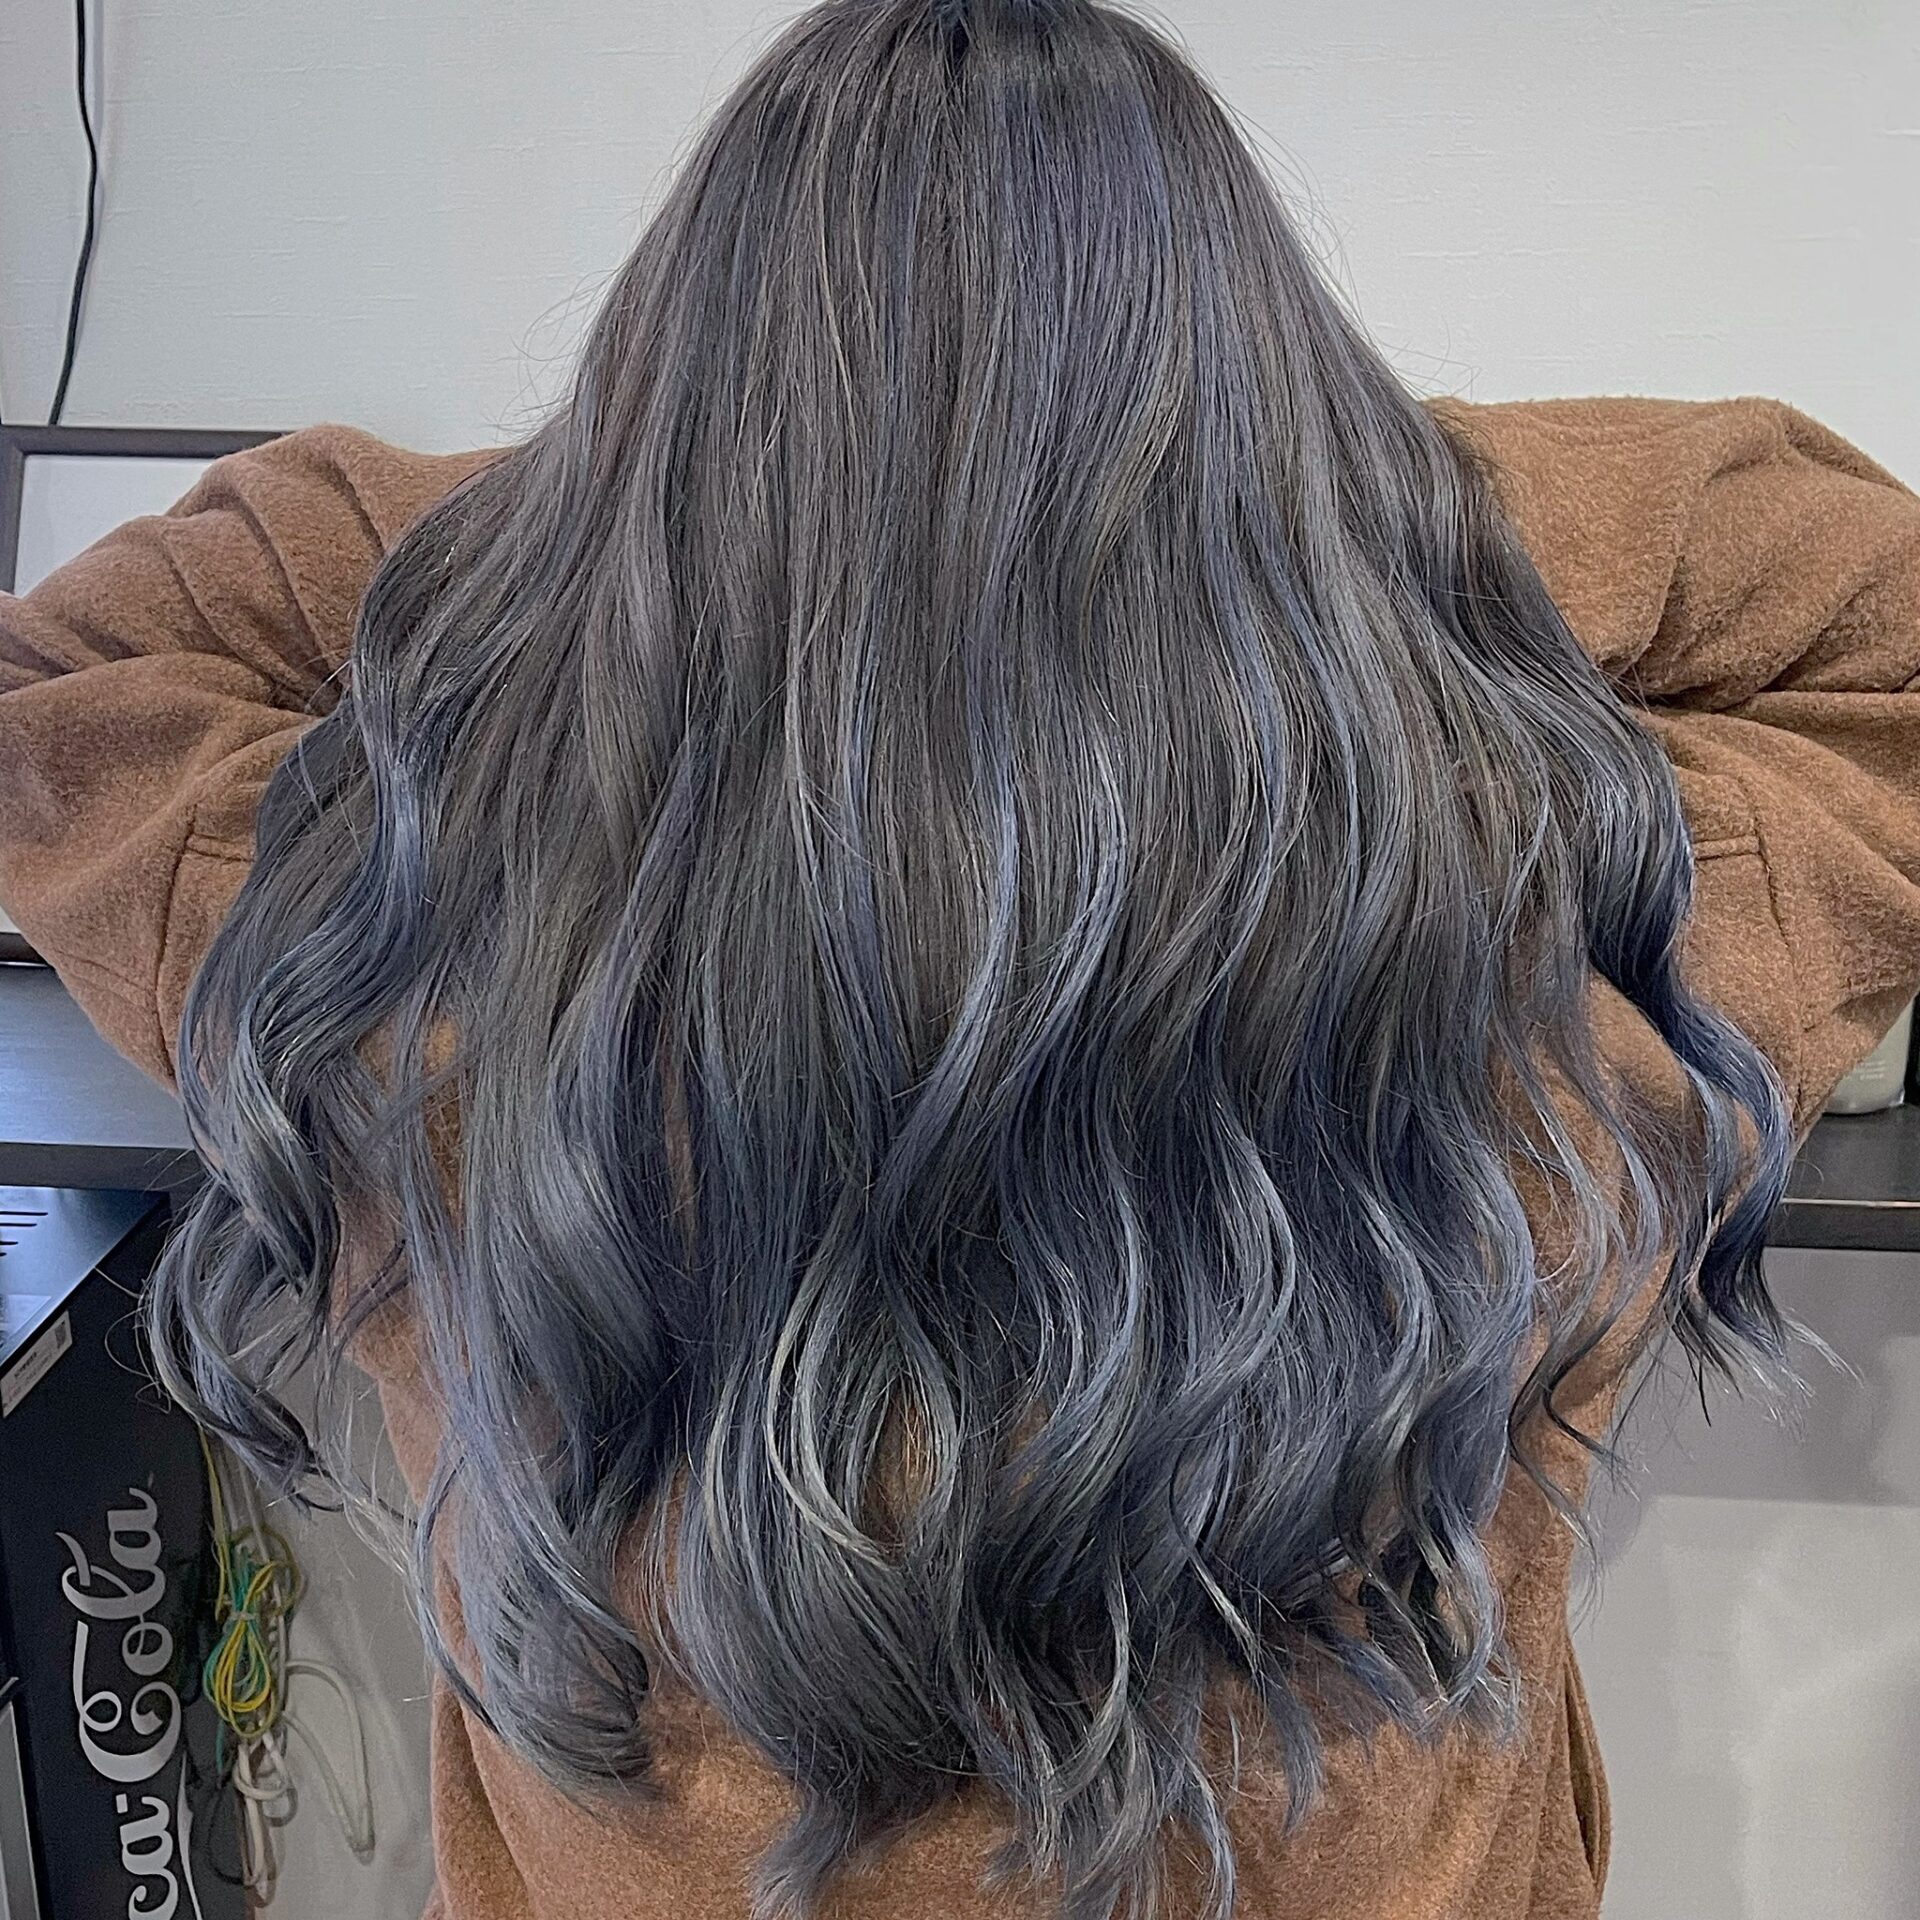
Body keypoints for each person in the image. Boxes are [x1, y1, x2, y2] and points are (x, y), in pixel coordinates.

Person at [3, 2, 1918, 1915]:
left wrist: (697, 505)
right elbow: (1872, 609)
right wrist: (1309, 513)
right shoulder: (1526, 1022)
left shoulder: (436, 1011)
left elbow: (77, 671)